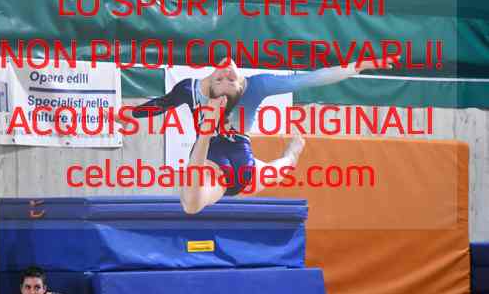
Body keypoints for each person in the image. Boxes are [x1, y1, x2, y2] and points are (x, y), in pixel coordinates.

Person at [125, 57, 395, 214]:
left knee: (286, 164)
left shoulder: (254, 86)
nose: (227, 73)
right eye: (226, 79)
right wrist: (131, 114)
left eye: (227, 78)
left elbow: (306, 79)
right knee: (191, 205)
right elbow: (160, 104)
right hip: (219, 167)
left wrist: (355, 67)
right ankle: (289, 152)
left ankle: (292, 151)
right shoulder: (190, 89)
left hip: (243, 166)